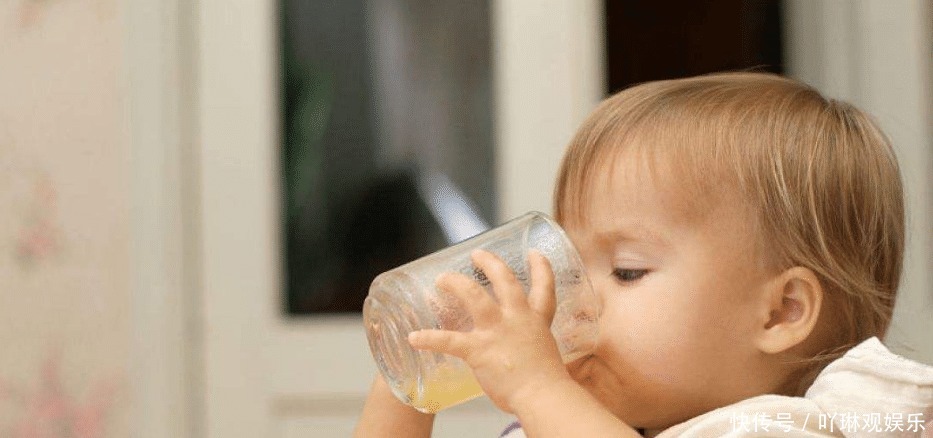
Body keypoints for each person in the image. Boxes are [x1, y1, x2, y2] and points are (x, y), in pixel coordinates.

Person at [354, 72, 932, 437]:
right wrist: (412, 376)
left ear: (780, 312)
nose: (571, 298)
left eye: (627, 270)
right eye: (571, 264)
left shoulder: (795, 429)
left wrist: (537, 389)